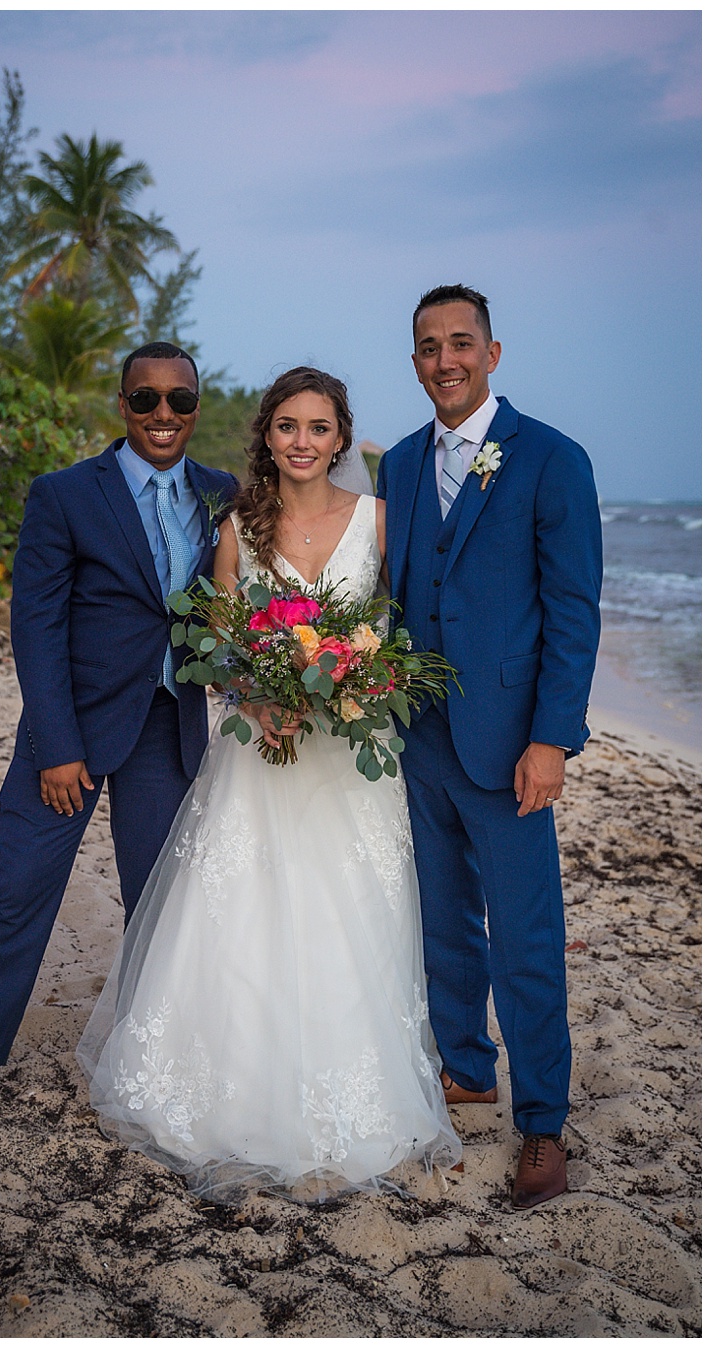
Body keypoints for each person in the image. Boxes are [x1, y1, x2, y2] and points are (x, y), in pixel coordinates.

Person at [77, 366, 461, 1202]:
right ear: (267, 436)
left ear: (342, 438)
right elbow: (213, 648)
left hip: (349, 763)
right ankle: (228, 1091)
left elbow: (410, 631)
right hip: (260, 753)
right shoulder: (238, 530)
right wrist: (255, 692)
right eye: (287, 426)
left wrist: (358, 686)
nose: (302, 443)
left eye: (318, 428)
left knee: (348, 916)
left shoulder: (380, 523)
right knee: (242, 915)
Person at [0, 342, 240, 1134]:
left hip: (169, 725)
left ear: (196, 407)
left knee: (157, 904)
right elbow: (35, 625)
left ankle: (151, 1059)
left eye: (180, 401)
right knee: (19, 890)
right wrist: (57, 746)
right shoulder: (62, 495)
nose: (163, 415)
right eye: (146, 399)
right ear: (121, 405)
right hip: (71, 729)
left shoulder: (221, 494)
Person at [379, 285, 600, 1210]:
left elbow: (573, 610)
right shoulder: (394, 465)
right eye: (429, 347)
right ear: (416, 360)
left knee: (525, 936)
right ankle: (466, 1070)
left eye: (460, 343)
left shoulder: (551, 459)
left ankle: (542, 1119)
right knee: (441, 925)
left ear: (493, 353)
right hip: (416, 737)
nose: (445, 361)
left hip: (510, 743)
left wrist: (552, 739)